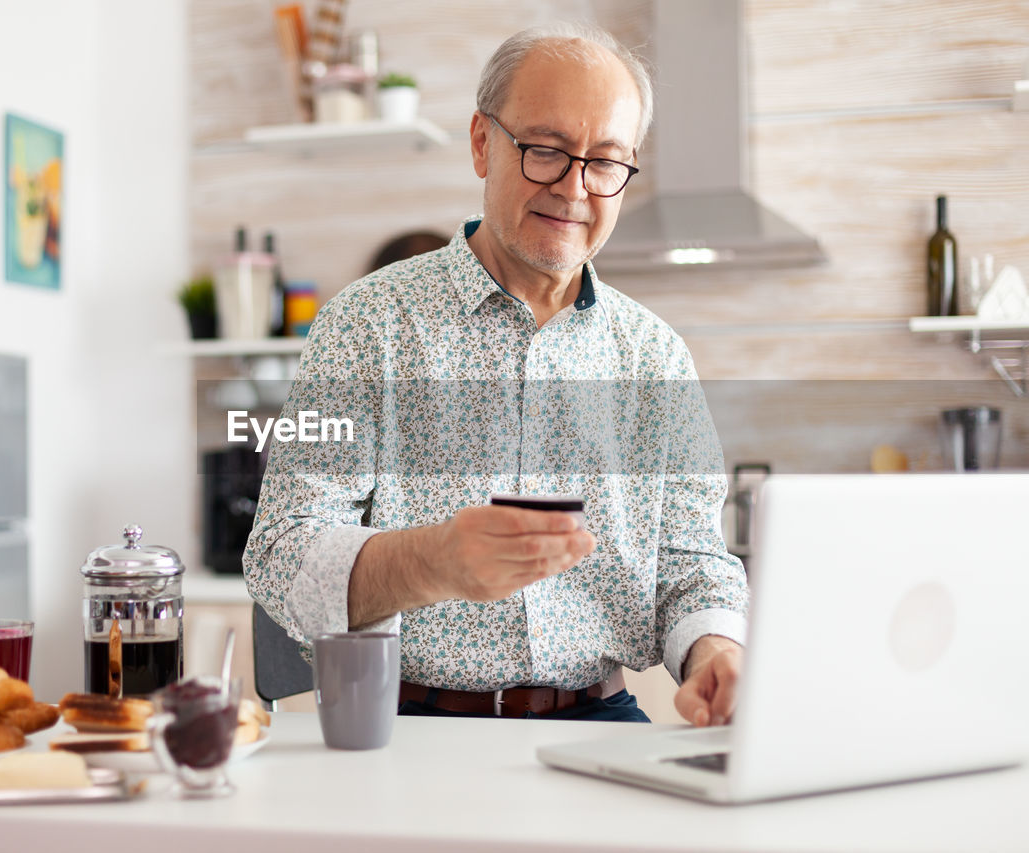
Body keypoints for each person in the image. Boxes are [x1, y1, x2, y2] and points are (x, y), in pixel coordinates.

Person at [243, 23, 747, 726]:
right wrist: (433, 560)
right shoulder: (364, 325)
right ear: (483, 142)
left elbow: (693, 563)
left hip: (599, 720)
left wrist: (717, 649)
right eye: (545, 150)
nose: (574, 188)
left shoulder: (655, 358)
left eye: (604, 162)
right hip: (407, 723)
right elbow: (281, 554)